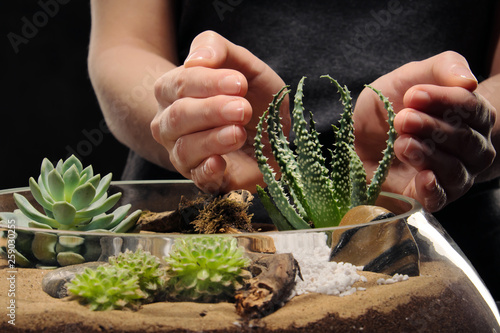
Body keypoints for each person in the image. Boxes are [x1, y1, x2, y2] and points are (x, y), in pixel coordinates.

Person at [88, 1, 500, 299]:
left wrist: (466, 127)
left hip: (445, 242)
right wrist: (191, 121)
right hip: (197, 224)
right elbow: (121, 46)